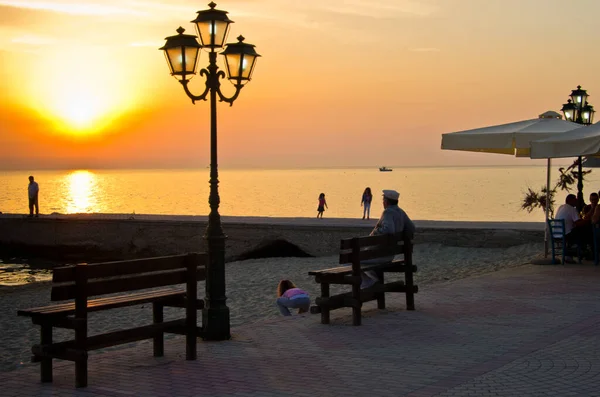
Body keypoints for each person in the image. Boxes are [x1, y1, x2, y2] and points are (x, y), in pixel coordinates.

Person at [361, 189, 415, 288]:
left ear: (386, 201)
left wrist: (377, 231)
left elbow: (389, 230)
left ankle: (369, 280)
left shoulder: (387, 212)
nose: (383, 202)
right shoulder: (401, 212)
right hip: (390, 255)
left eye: (383, 200)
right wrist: (401, 235)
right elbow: (411, 228)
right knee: (359, 258)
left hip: (380, 256)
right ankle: (371, 278)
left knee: (351, 259)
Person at [555, 194, 588, 261]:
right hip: (566, 234)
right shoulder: (571, 209)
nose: (576, 201)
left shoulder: (561, 207)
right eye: (575, 200)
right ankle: (578, 251)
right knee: (583, 231)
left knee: (577, 231)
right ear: (571, 200)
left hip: (556, 234)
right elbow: (578, 223)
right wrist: (587, 220)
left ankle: (569, 254)